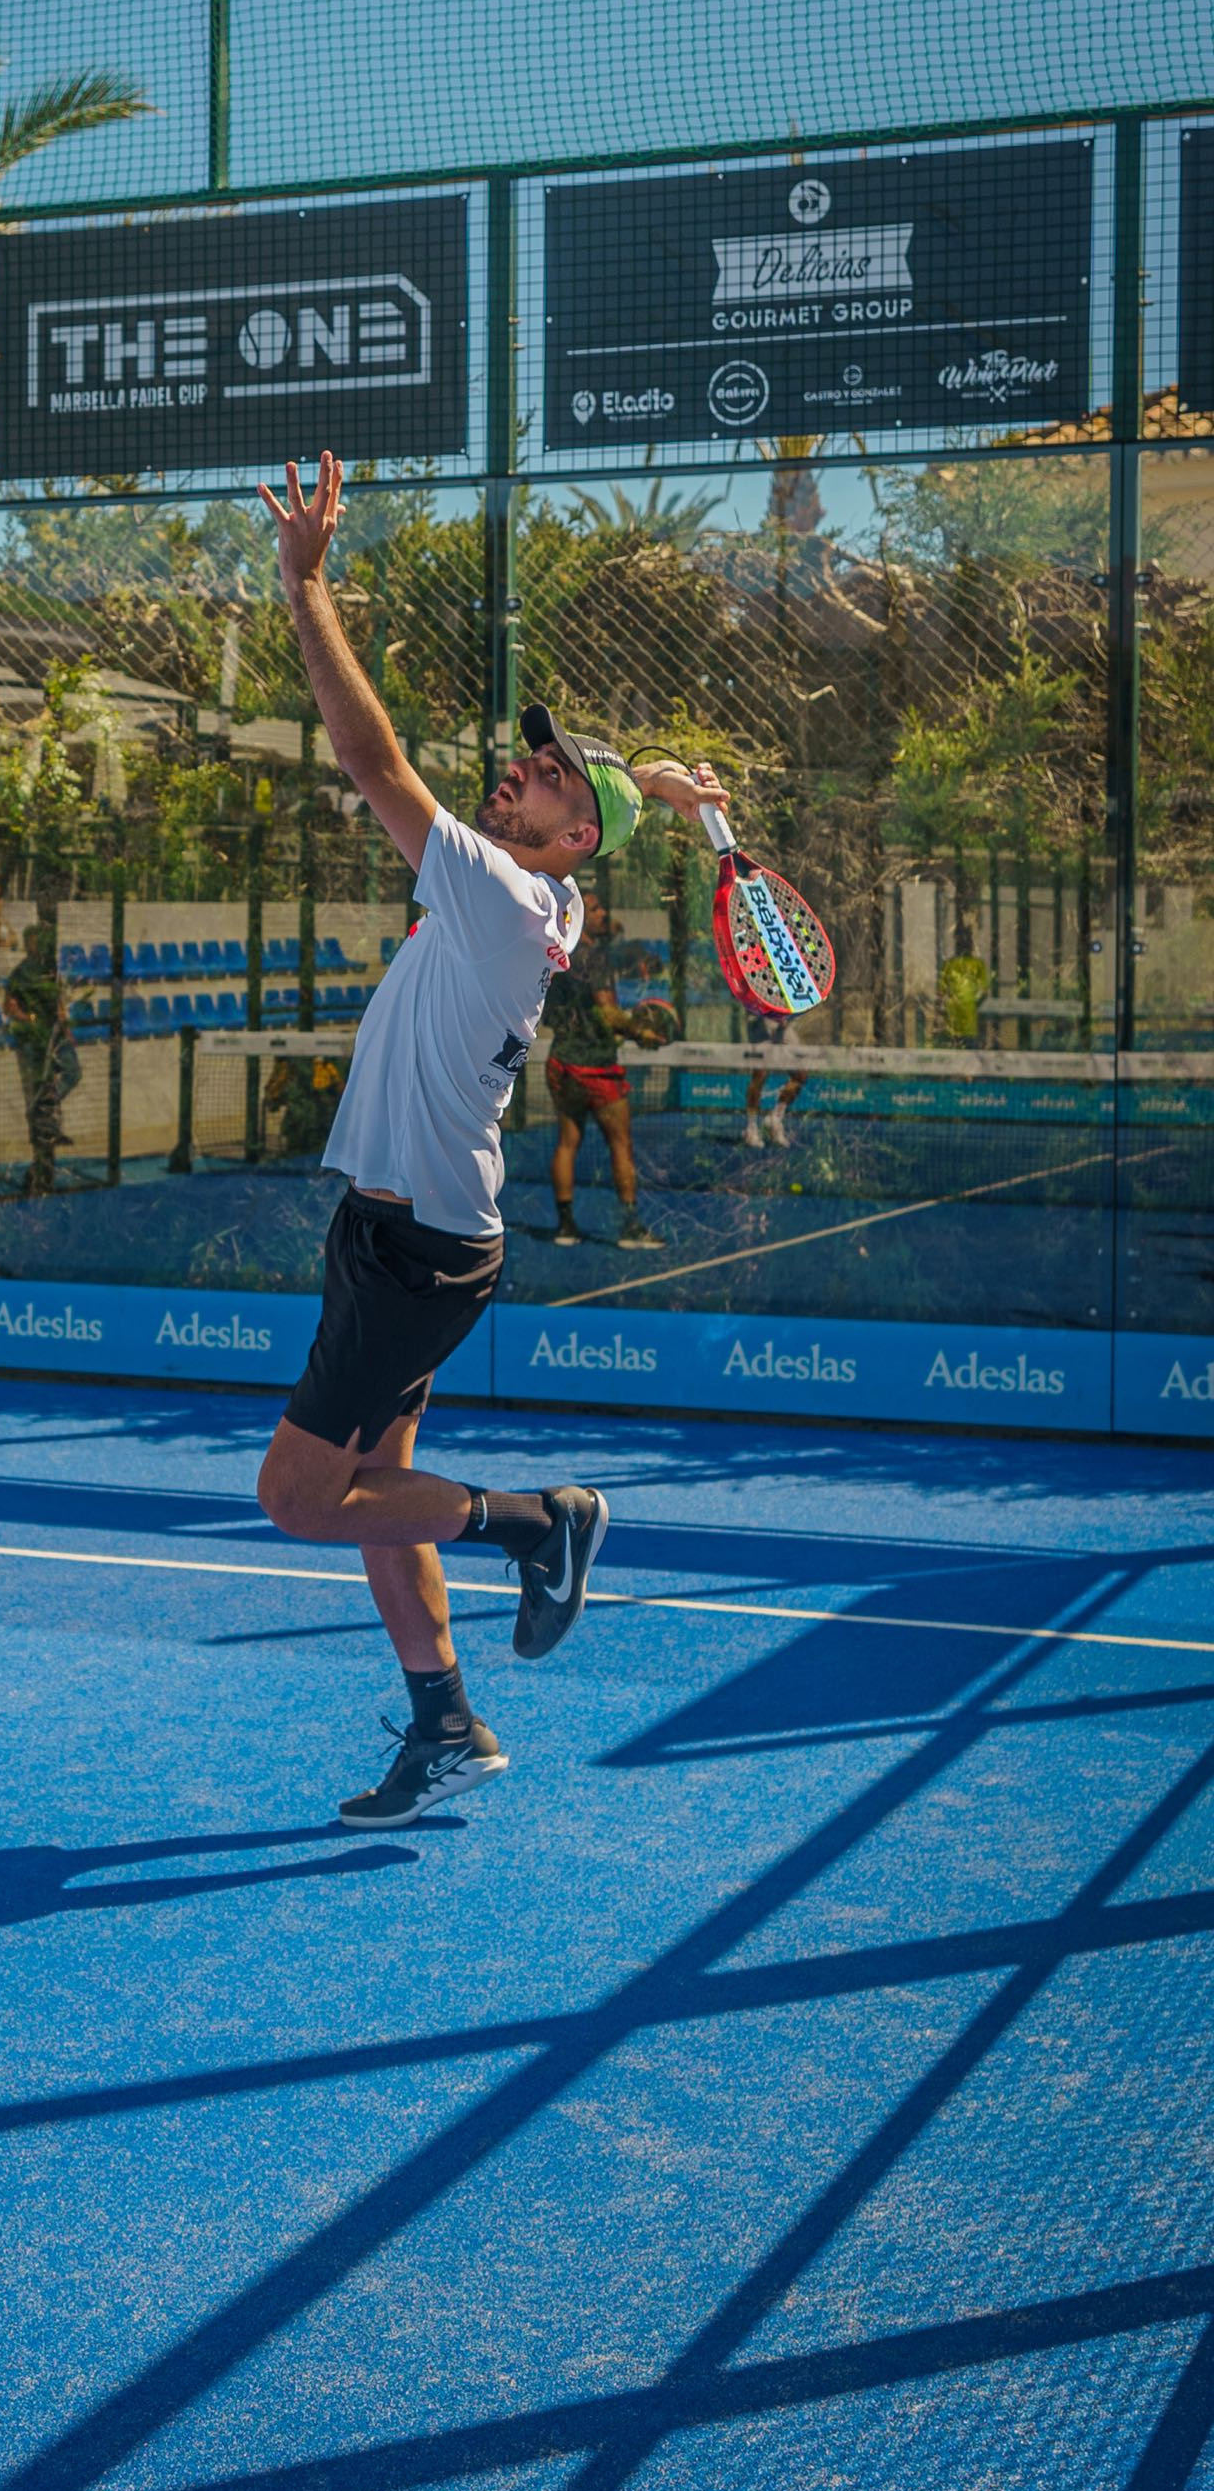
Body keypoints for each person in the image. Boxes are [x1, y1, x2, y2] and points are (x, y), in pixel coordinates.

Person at [254, 453, 727, 1828]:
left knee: (301, 1498)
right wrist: (658, 788)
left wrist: (306, 584)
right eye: (534, 759)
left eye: (548, 774)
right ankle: (445, 1721)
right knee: (379, 1488)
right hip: (406, 1232)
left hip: (417, 1248)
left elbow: (369, 758)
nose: (520, 769)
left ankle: (536, 1521)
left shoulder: (509, 897)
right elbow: (590, 819)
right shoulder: (545, 892)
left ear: (570, 833)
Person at [545, 898, 667, 1250]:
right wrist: (640, 1033)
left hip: (561, 1062)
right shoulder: (595, 959)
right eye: (595, 909)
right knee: (621, 1144)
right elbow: (609, 1013)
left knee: (567, 1142)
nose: (603, 913)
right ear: (579, 916)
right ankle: (630, 1229)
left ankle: (565, 1227)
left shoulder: (558, 954)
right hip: (595, 1067)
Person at [2, 924, 81, 1182]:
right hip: (31, 1040)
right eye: (35, 941)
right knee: (34, 1090)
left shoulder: (51, 970)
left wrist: (65, 1028)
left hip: (54, 1036)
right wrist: (30, 1019)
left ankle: (45, 1105)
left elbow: (59, 1003)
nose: (39, 945)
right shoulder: (20, 973)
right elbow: (8, 1006)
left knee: (72, 1072)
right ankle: (40, 1161)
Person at [742, 1014, 807, 1149]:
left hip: (783, 1027)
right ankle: (751, 1128)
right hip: (760, 1024)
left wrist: (787, 1018)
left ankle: (775, 1119)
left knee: (800, 1075)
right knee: (760, 1074)